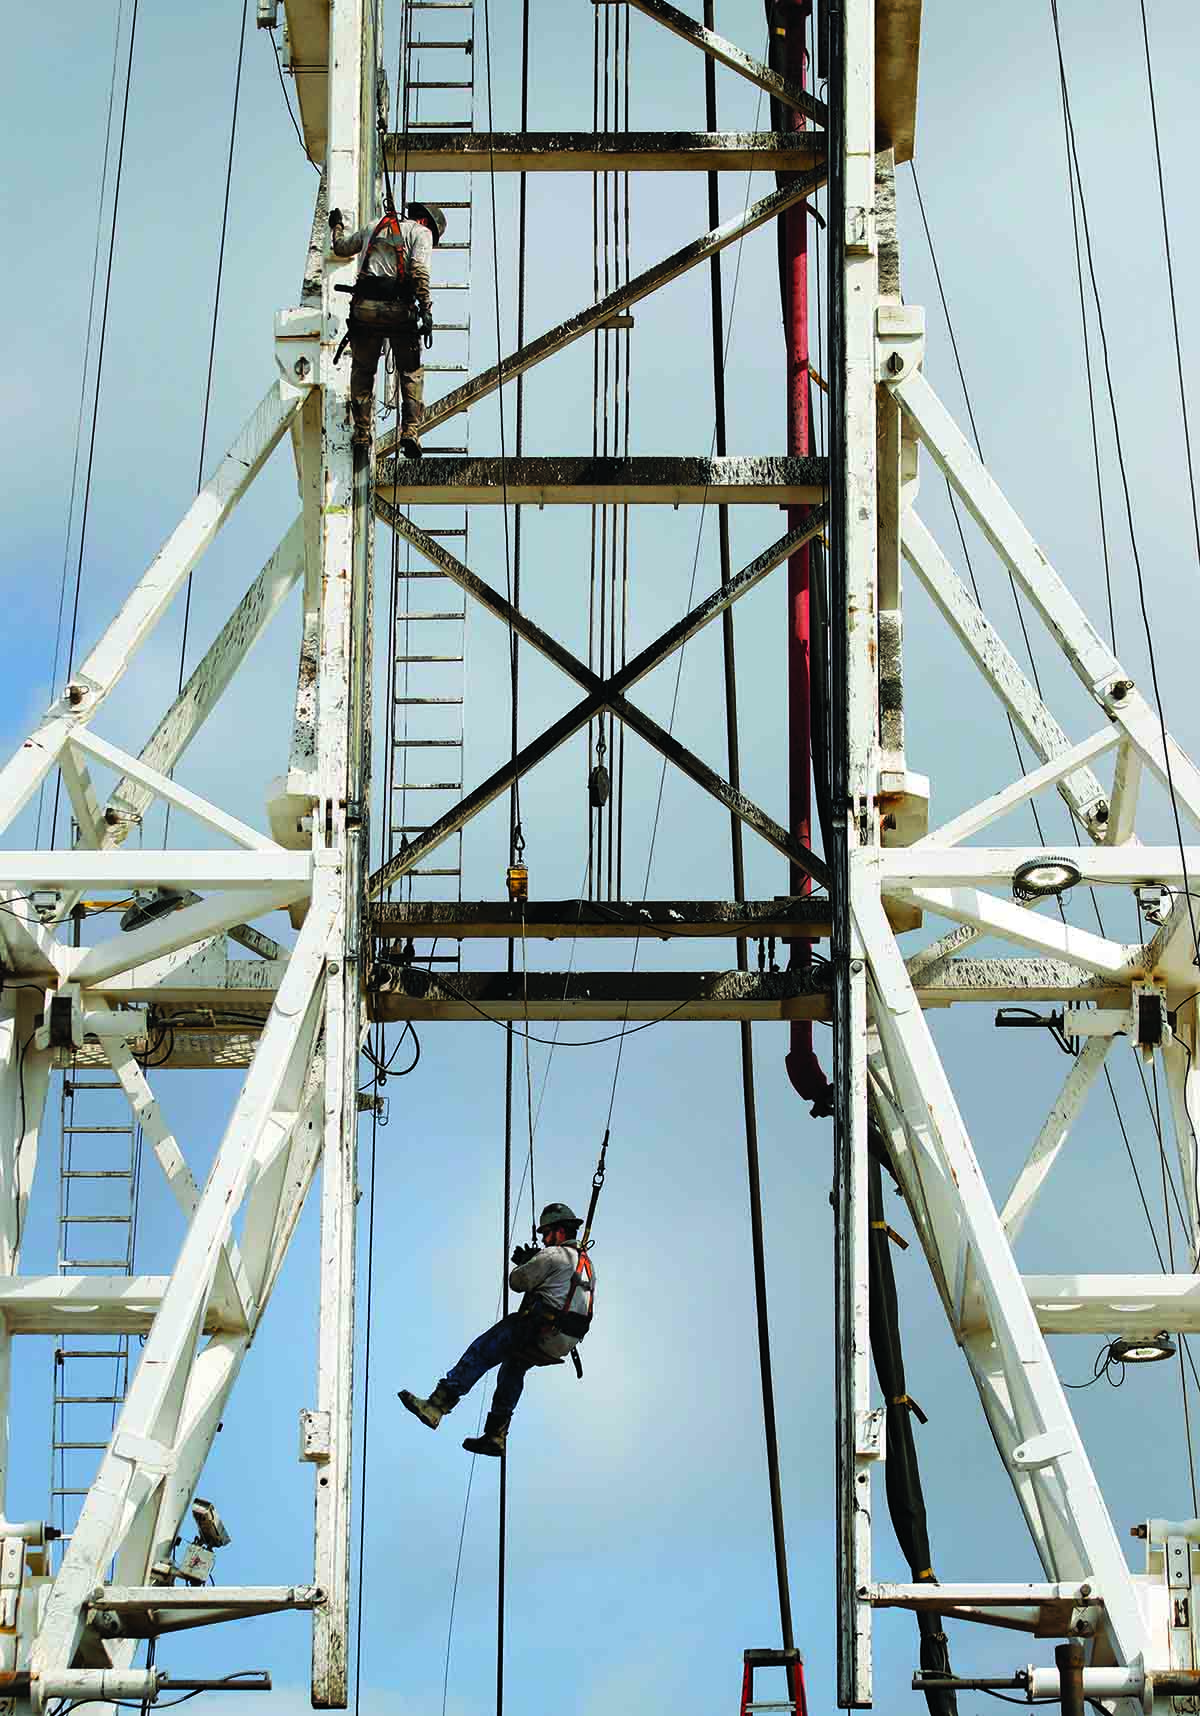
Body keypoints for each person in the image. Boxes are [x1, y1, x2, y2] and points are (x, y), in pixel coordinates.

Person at [399, 1201, 596, 1457]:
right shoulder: (587, 1265)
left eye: (547, 1234)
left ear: (560, 1232)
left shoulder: (555, 1255)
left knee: (484, 1349)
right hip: (563, 1341)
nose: (545, 1240)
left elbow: (517, 1281)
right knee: (513, 1369)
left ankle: (437, 1406)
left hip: (542, 1327)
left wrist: (528, 1261)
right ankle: (496, 1435)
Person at [328, 199, 446, 455]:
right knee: (411, 372)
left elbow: (339, 247)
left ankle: (361, 433)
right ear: (427, 222)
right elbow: (418, 271)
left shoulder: (372, 226)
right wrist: (425, 309)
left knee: (363, 371)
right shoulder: (421, 232)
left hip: (364, 310)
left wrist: (336, 226)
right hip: (398, 312)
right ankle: (410, 432)